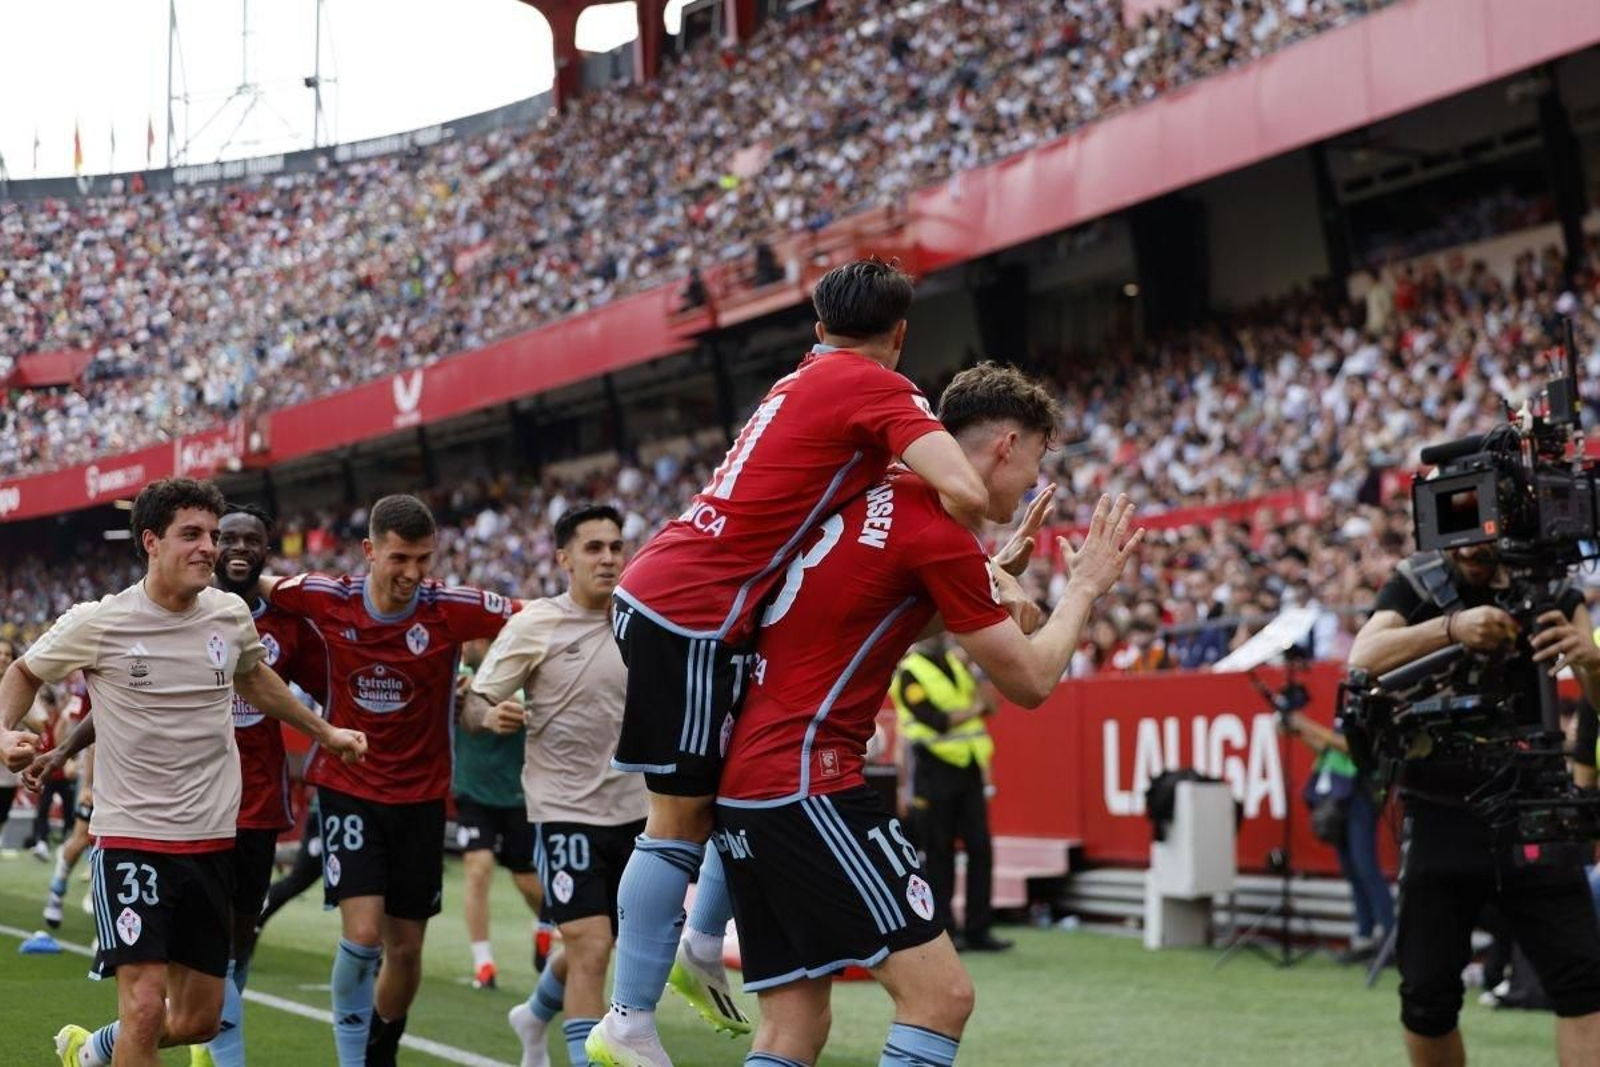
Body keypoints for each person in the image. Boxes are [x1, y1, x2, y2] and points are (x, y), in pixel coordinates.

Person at [589, 257, 989, 1066]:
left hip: (680, 597)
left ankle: (699, 945)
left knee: (732, 786)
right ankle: (626, 1020)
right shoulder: (874, 384)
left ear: (817, 328)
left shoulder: (799, 379)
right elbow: (966, 489)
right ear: (901, 334)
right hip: (694, 609)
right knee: (675, 820)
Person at [716, 362, 1143, 1067]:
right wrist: (1086, 588)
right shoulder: (938, 530)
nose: (1029, 486)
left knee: (794, 1025)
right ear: (1004, 445)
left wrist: (980, 579)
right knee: (941, 997)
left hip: (752, 783)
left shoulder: (885, 492)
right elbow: (1033, 681)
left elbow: (868, 617)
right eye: (1033, 464)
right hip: (807, 781)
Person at [0, 477, 367, 1067]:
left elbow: (254, 676)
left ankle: (93, 1051)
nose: (209, 548)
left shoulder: (227, 614)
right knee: (144, 1007)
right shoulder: (102, 620)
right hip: (131, 840)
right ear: (150, 541)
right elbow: (23, 672)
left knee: (199, 1019)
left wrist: (324, 731)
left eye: (213, 536)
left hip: (211, 842)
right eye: (191, 534)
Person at [259, 493, 518, 1067]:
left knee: (406, 951)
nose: (413, 573)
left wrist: (483, 693)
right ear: (370, 551)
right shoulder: (327, 596)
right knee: (364, 934)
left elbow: (541, 617)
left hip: (423, 799)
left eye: (424, 559)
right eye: (399, 558)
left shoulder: (451, 607)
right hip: (348, 788)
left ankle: (381, 1053)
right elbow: (257, 581)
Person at [1346, 540, 1600, 1065]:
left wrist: (1592, 664)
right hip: (1439, 808)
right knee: (1426, 996)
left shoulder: (1548, 582)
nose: (1470, 548)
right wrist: (1451, 628)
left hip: (1535, 805)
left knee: (1584, 984)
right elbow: (1362, 659)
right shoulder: (1418, 580)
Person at [462, 504, 649, 1067]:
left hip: (638, 810)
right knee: (589, 947)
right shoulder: (534, 623)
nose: (609, 558)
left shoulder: (645, 619)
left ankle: (535, 1014)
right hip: (563, 810)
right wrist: (487, 716)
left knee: (603, 945)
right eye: (594, 548)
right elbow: (475, 700)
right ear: (564, 559)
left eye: (616, 546)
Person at [890, 638, 1010, 953]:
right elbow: (936, 721)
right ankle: (945, 929)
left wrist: (979, 673)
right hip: (933, 767)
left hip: (968, 766)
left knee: (980, 847)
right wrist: (975, 708)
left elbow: (993, 706)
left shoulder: (959, 664)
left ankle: (978, 929)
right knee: (939, 851)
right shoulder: (909, 673)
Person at [453, 637, 543, 991]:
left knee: (529, 883)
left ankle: (544, 927)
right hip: (472, 792)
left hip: (517, 795)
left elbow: (525, 703)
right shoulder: (459, 672)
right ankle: (484, 963)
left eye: (474, 637)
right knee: (478, 868)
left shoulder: (520, 671)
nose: (467, 644)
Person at [1283, 710, 1395, 963]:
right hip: (1341, 798)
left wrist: (1305, 723)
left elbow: (1349, 748)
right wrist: (1300, 732)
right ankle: (1364, 937)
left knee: (1367, 868)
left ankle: (1390, 938)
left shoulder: (1370, 711)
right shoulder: (1345, 712)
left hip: (1361, 796)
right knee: (1352, 869)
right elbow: (1328, 752)